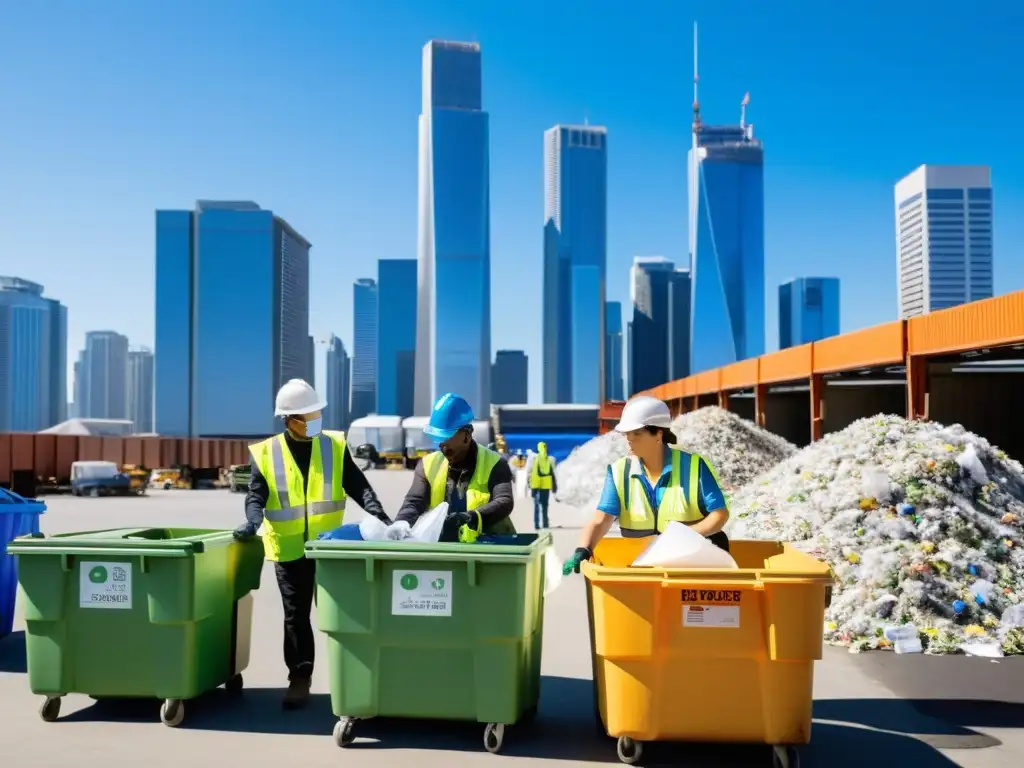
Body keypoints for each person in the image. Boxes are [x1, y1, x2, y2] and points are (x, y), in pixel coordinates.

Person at [232, 378, 391, 709]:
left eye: (316, 412)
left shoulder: (333, 445)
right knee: (296, 616)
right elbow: (256, 494)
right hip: (288, 550)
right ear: (290, 420)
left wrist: (380, 515)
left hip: (330, 550)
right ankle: (300, 677)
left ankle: (354, 677)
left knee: (345, 615)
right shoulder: (267, 452)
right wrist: (252, 519)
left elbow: (357, 485)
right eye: (308, 415)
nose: (316, 419)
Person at [562, 395, 730, 576]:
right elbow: (600, 520)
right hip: (642, 567)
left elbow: (719, 514)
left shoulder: (693, 467)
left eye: (637, 433)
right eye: (627, 434)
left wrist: (687, 535)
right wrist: (583, 549)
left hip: (691, 568)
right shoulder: (620, 472)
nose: (629, 439)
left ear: (658, 434)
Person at [396, 392, 516, 542]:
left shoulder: (495, 464)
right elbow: (414, 501)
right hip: (443, 546)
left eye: (447, 438)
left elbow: (504, 501)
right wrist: (402, 521)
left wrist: (470, 518)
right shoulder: (428, 465)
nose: (443, 446)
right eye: (439, 439)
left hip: (488, 545)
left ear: (467, 435)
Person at [528, 441, 558, 529]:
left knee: (536, 506)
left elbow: (529, 471)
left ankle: (536, 524)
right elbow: (553, 473)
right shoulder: (551, 459)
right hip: (546, 486)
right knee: (545, 505)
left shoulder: (533, 458)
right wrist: (554, 485)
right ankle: (545, 523)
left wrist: (529, 483)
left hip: (536, 485)